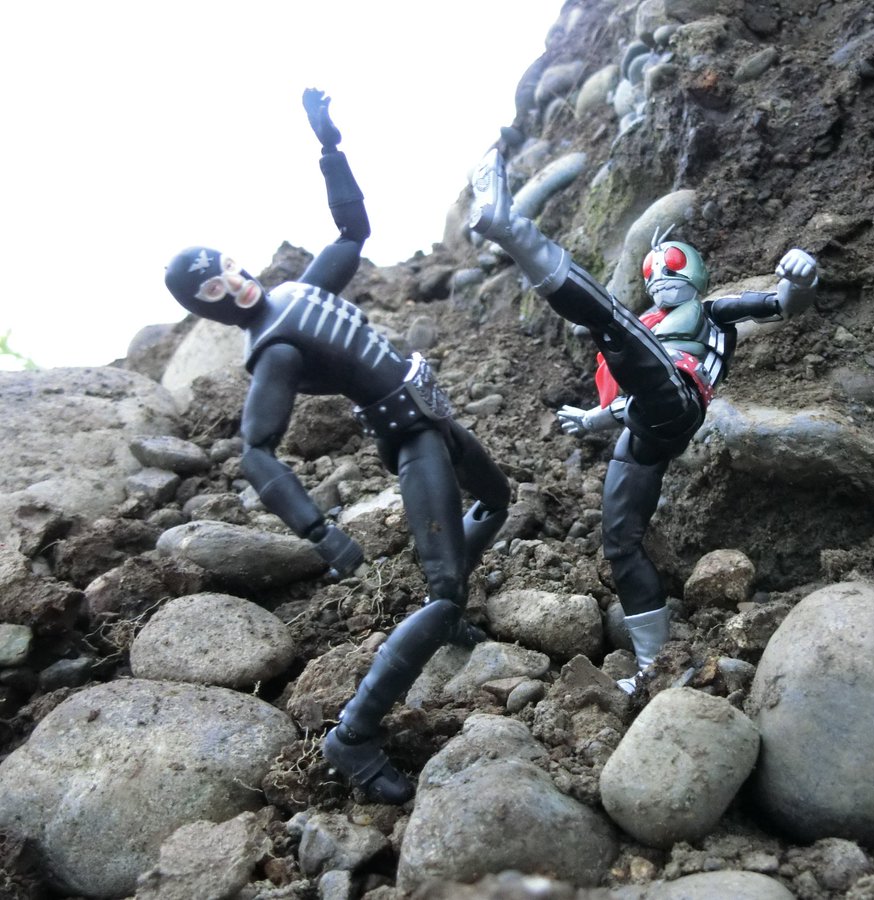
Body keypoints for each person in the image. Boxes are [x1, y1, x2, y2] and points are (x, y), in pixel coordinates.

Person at [164, 90, 511, 804]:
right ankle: (354, 733)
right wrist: (321, 533)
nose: (236, 281)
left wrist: (330, 149)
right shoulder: (274, 349)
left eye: (230, 264)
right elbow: (256, 451)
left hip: (433, 413)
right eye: (216, 285)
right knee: (443, 587)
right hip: (409, 434)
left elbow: (353, 231)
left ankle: (447, 618)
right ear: (207, 303)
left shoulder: (298, 292)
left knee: (496, 500)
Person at [468, 143, 818, 693]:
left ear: (694, 271)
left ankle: (511, 229)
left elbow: (781, 305)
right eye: (652, 271)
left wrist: (800, 280)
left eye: (670, 267)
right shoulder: (652, 323)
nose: (658, 278)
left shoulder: (710, 313)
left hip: (680, 397)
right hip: (645, 429)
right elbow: (632, 394)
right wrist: (593, 420)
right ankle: (653, 664)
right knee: (619, 541)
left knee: (611, 322)